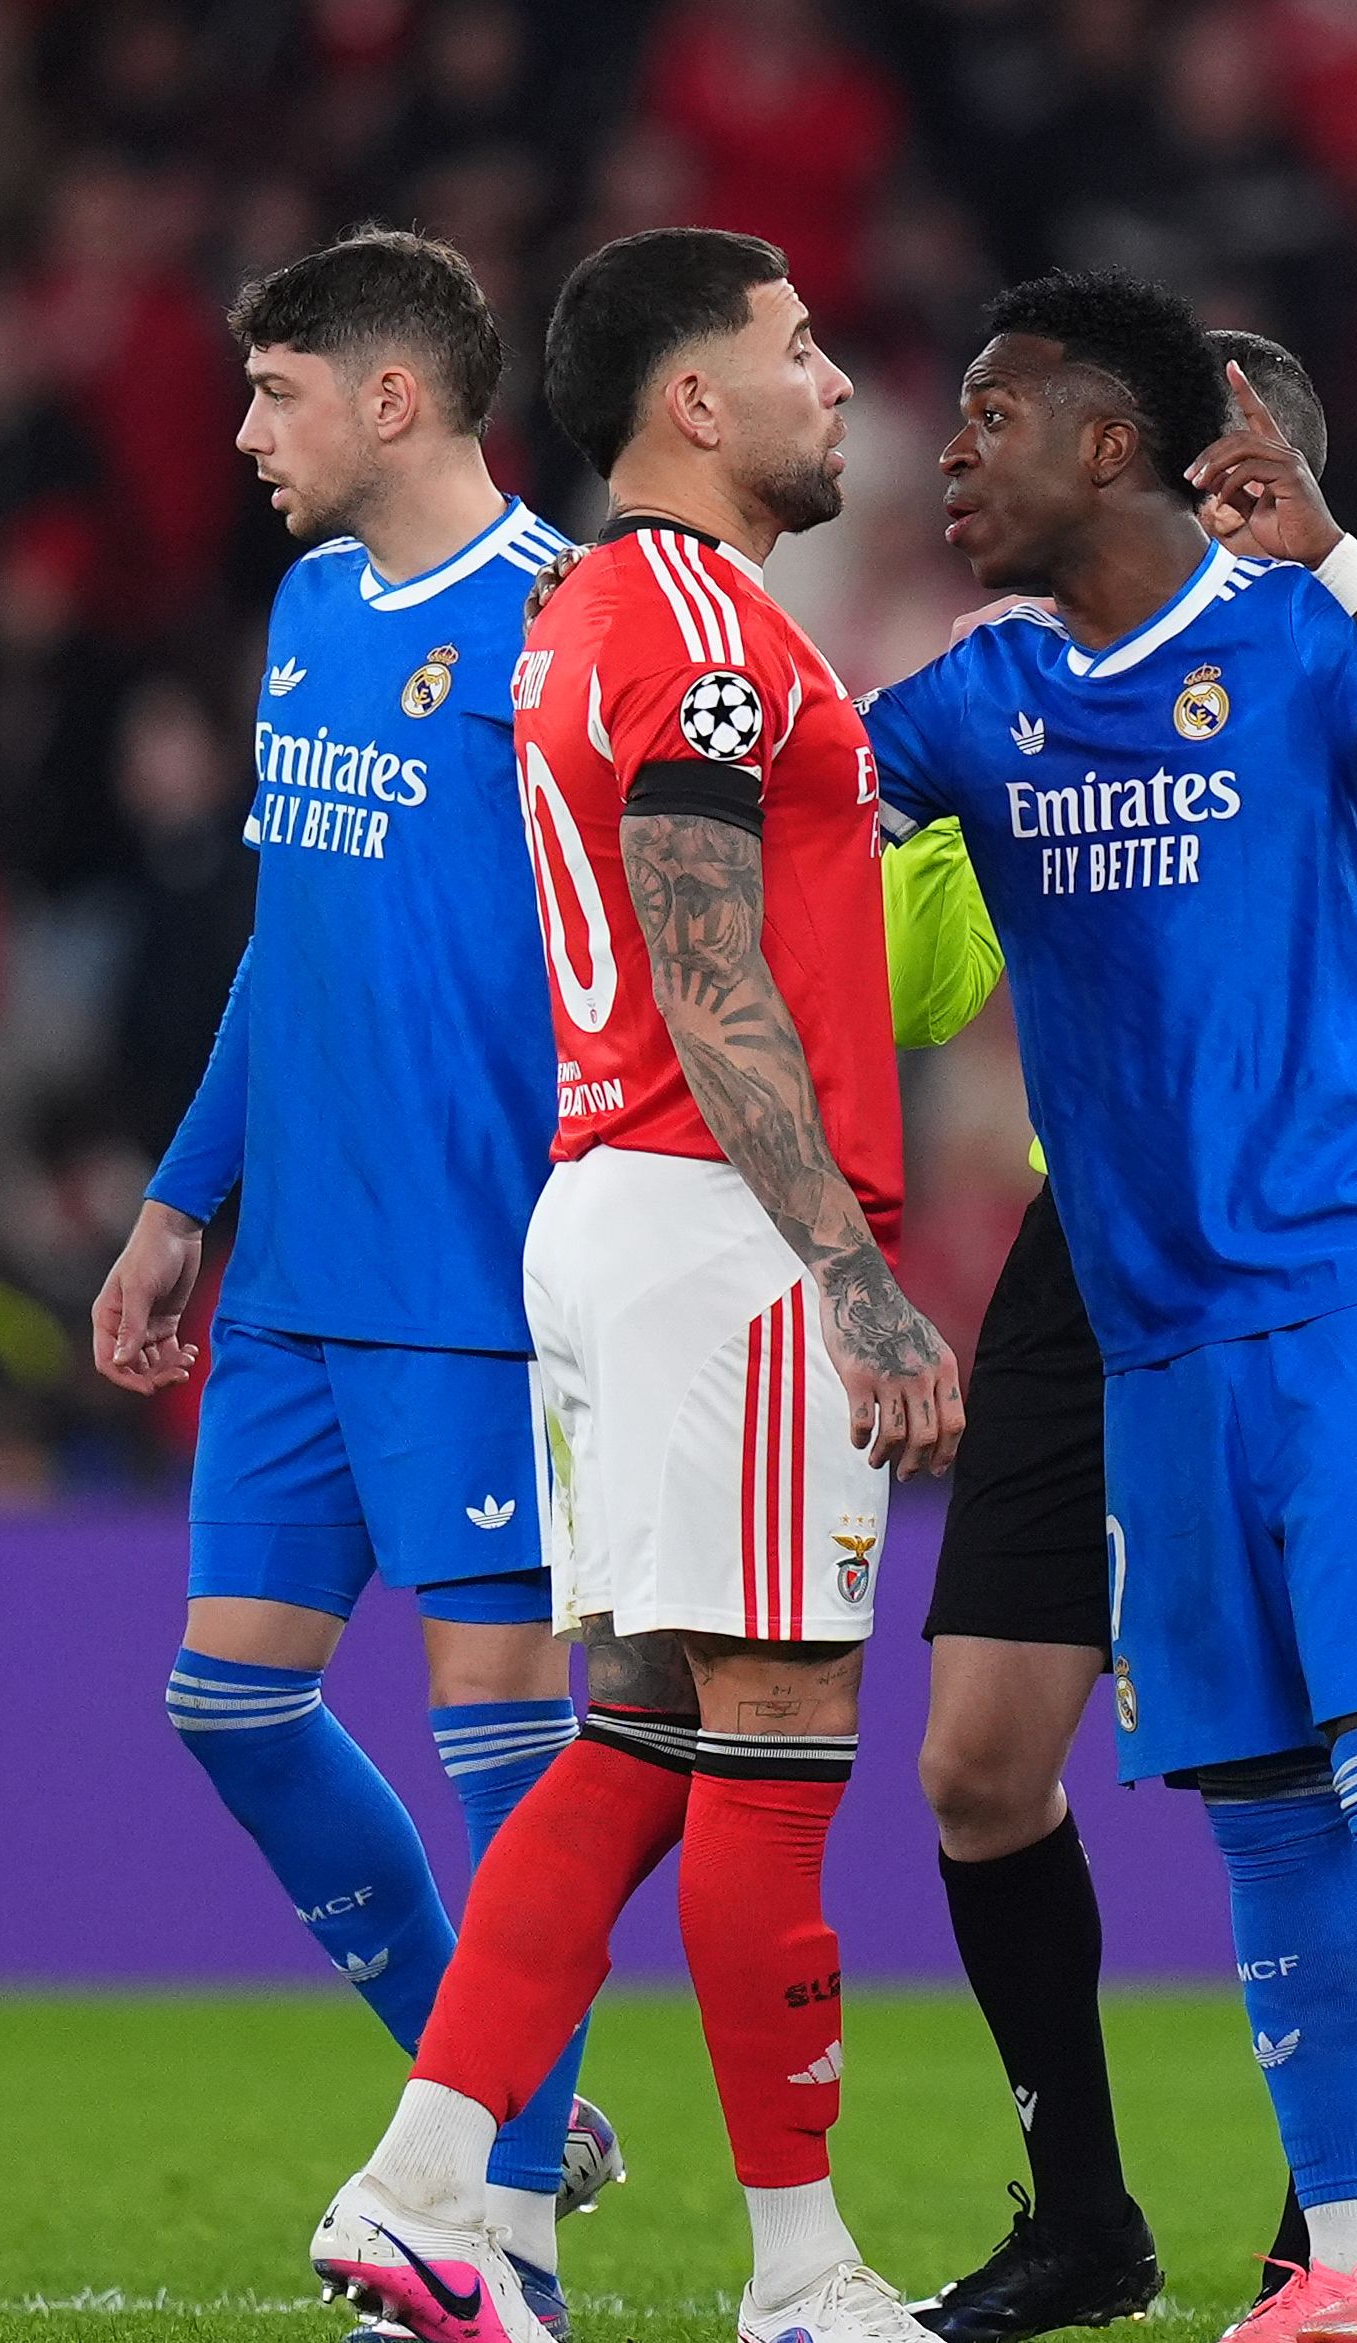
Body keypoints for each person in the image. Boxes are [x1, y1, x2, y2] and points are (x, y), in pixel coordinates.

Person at [856, 268, 1357, 2343]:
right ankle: (1344, 2262)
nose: (950, 455)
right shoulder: (977, 697)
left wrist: (1339, 554)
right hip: (1149, 1326)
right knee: (1256, 1795)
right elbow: (776, 815)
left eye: (991, 415)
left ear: (1111, 445)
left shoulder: (1297, 639)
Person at [309, 227, 961, 2343]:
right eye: (798, 346)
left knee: (646, 1732)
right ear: (693, 398)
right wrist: (853, 1271)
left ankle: (428, 2191)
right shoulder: (689, 620)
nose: (835, 382)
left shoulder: (594, 610)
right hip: (721, 1224)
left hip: (621, 1205)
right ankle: (801, 2272)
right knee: (775, 1731)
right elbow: (707, 954)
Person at [83, 229, 616, 2337]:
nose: (244, 432)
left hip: (477, 1283)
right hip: (296, 1281)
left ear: (392, 400)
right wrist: (180, 1200)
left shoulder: (564, 619)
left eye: (275, 391)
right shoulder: (310, 611)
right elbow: (286, 938)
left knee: (507, 1752)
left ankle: (512, 2244)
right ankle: (490, 2085)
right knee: (227, 1701)